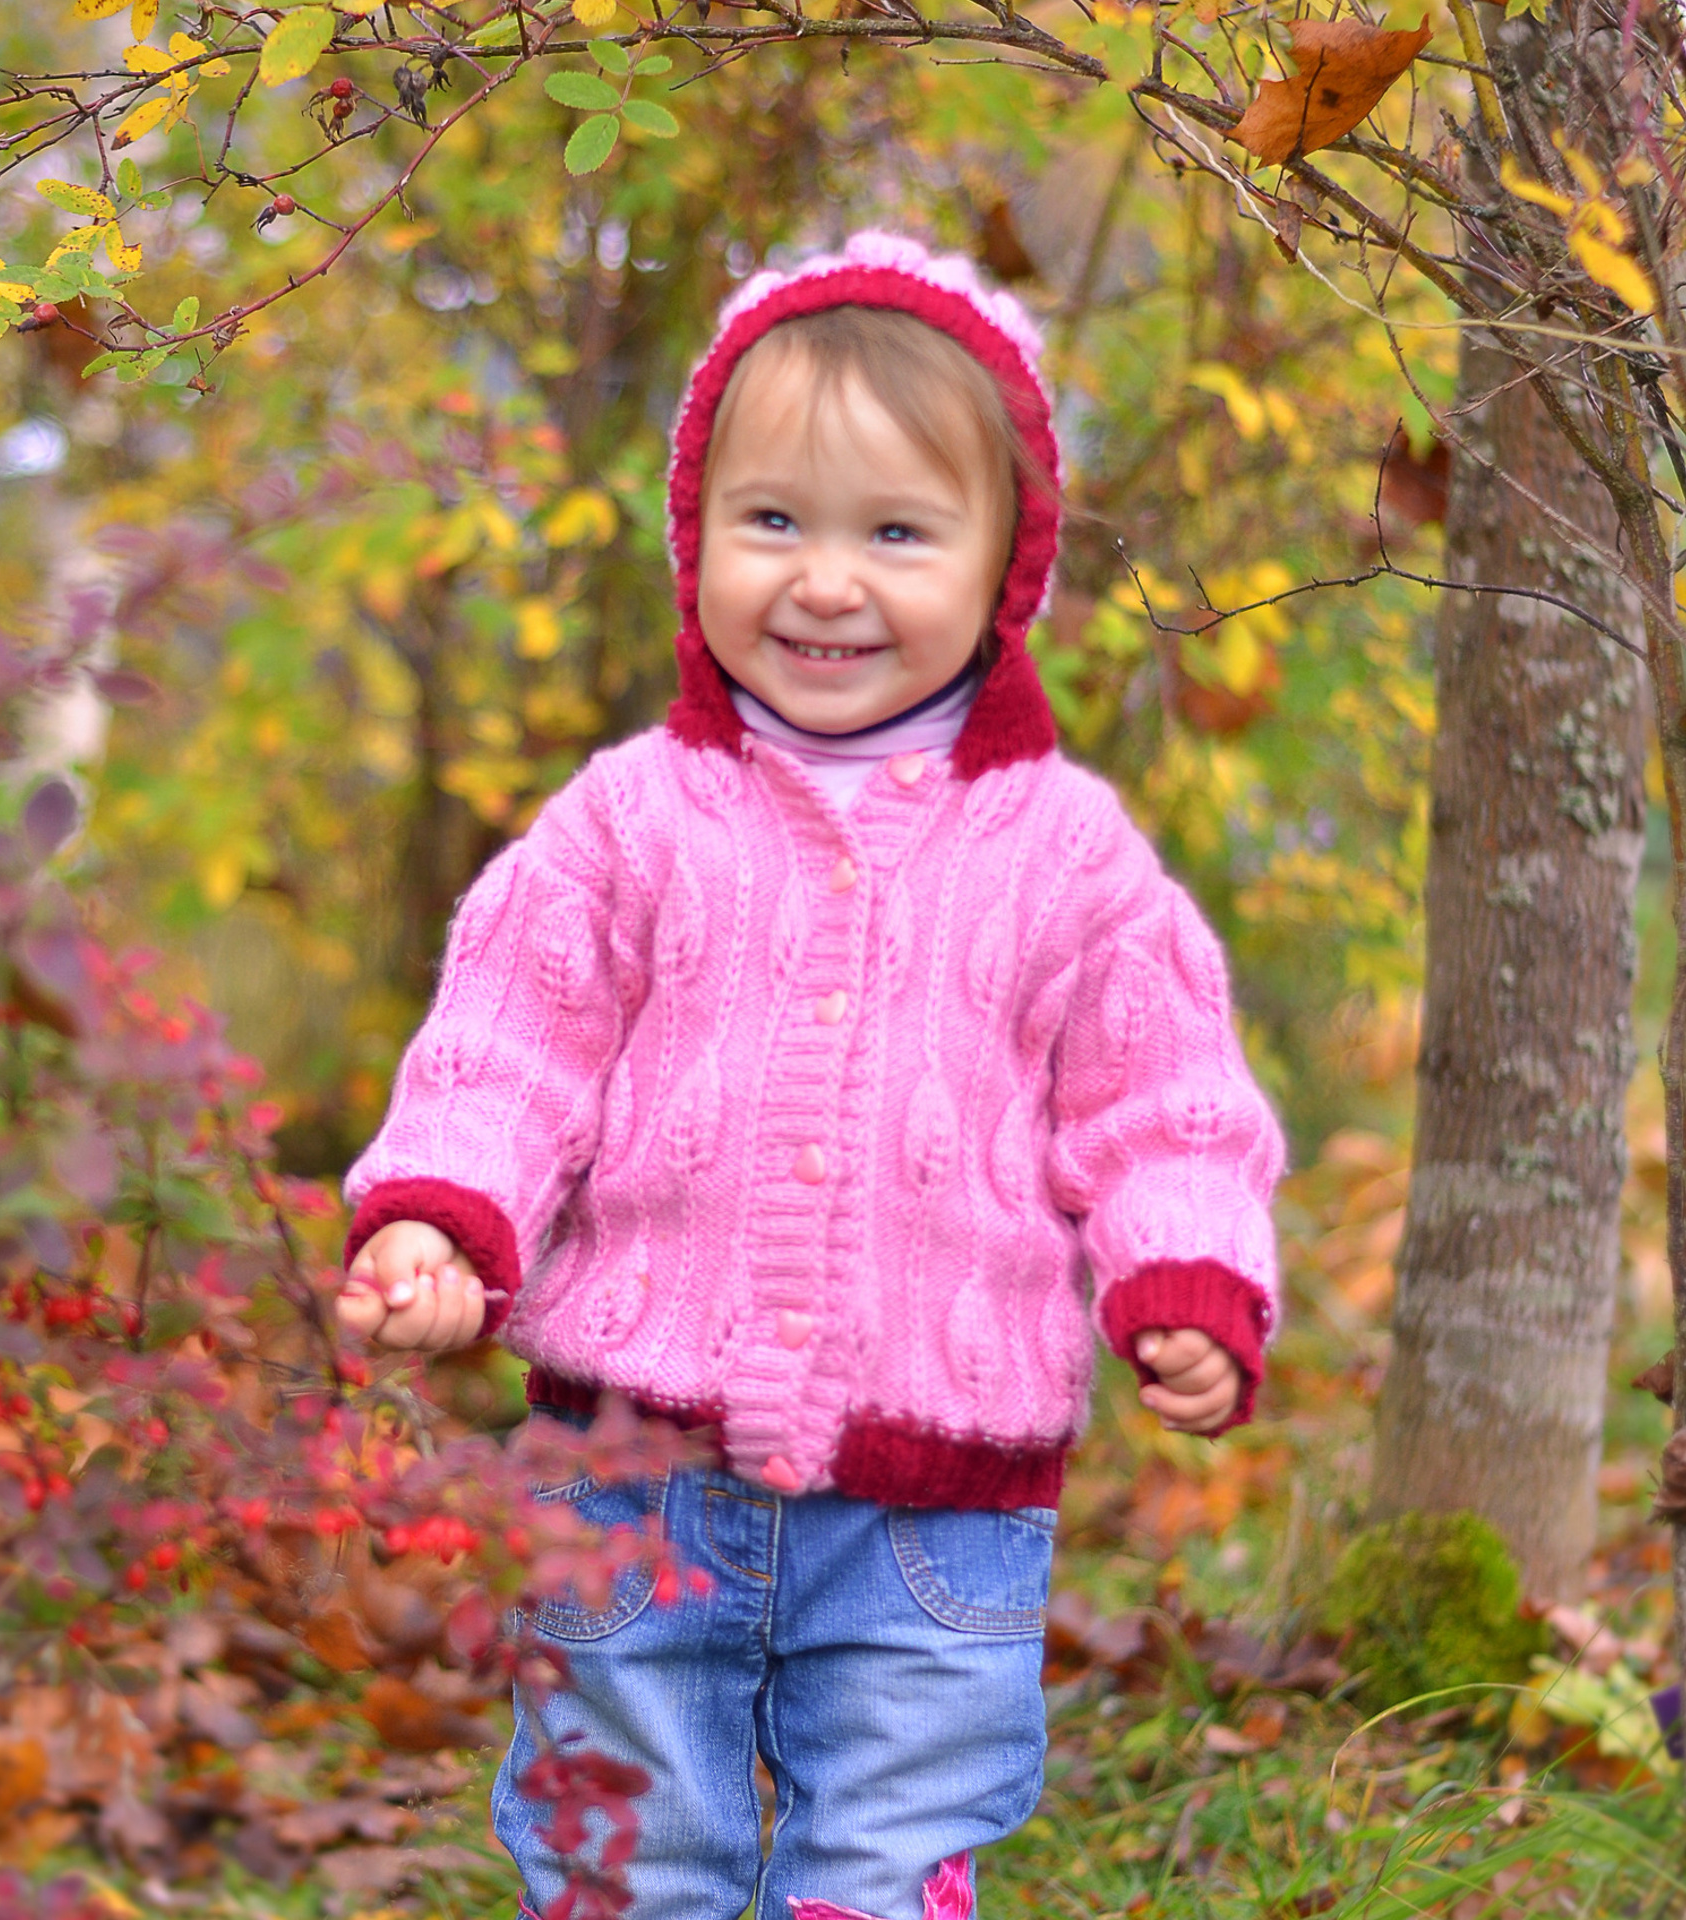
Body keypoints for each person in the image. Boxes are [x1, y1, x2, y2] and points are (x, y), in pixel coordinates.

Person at [336, 231, 1284, 1920]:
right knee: (623, 1854)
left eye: (897, 534)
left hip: (944, 1508)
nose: (827, 582)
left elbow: (1164, 1108)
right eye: (773, 521)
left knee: (886, 1864)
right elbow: (511, 1046)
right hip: (627, 1470)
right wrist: (443, 1219)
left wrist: (1188, 1276)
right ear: (697, 540)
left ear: (1006, 568)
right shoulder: (628, 821)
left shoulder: (1067, 856)